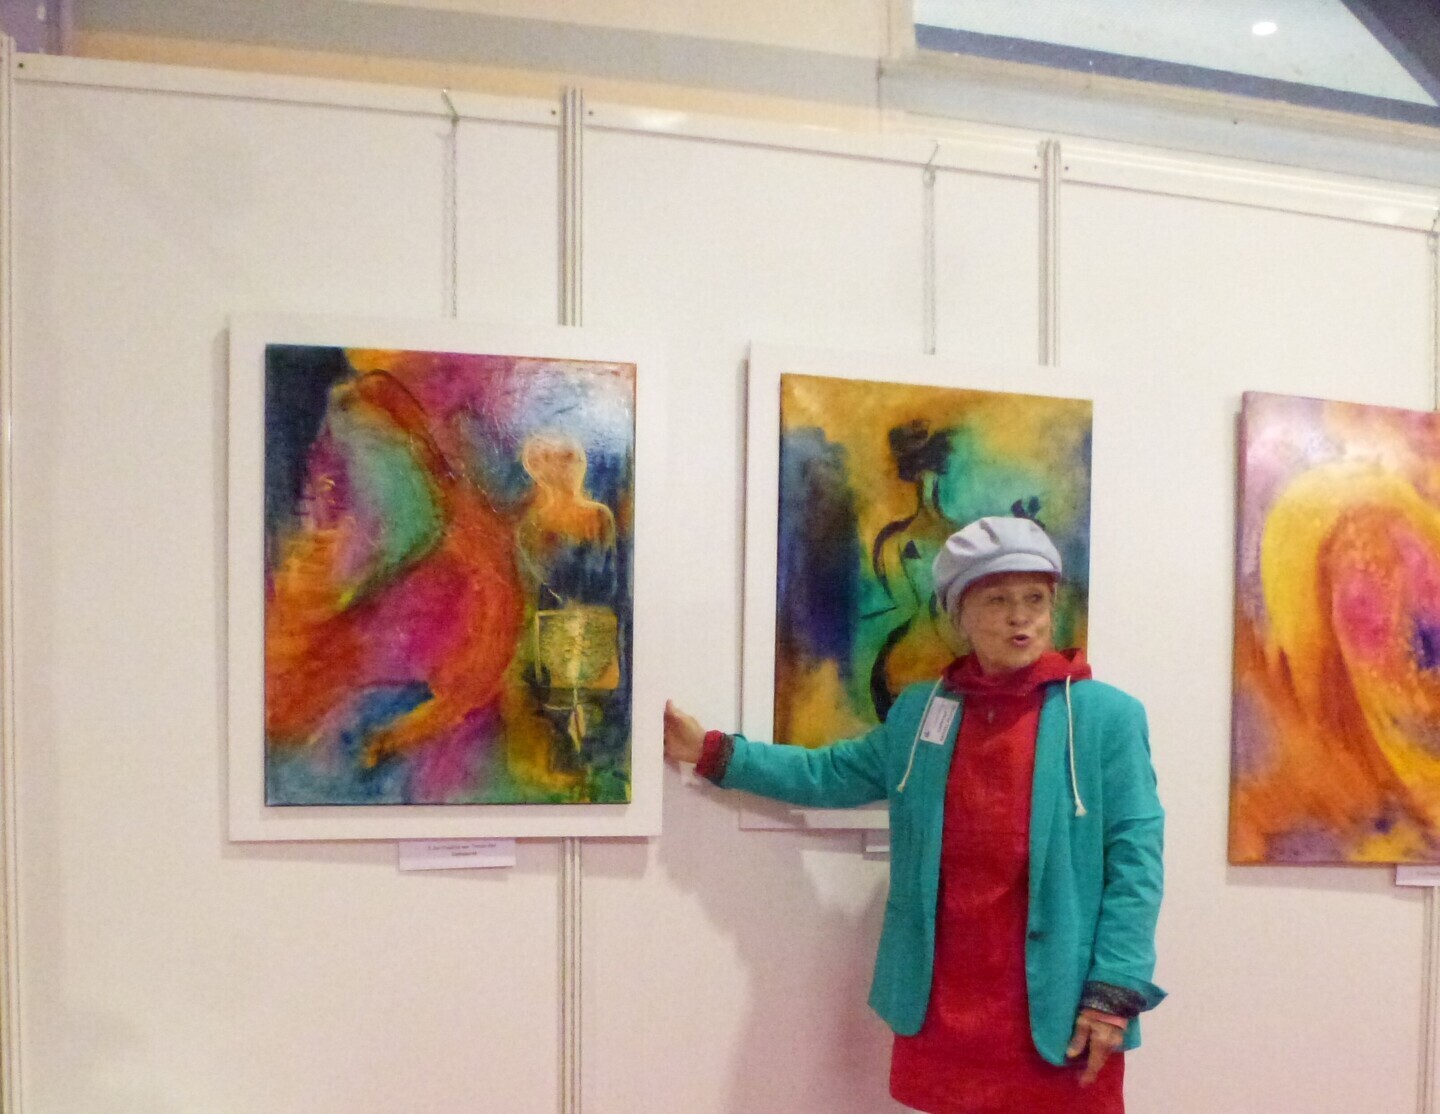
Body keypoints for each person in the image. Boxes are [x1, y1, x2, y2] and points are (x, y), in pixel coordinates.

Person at [663, 515, 1164, 1114]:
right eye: (998, 600)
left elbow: (1136, 862)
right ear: (958, 615)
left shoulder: (1106, 717)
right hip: (943, 999)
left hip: (1057, 1003)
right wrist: (713, 753)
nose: (1020, 617)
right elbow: (829, 773)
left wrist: (1114, 990)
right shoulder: (923, 711)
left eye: (1035, 599)